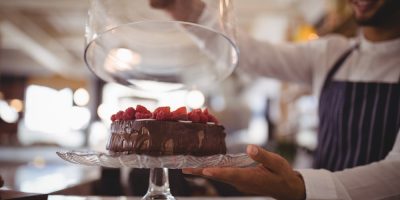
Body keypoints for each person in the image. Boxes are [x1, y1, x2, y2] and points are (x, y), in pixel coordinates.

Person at [150, 0, 400, 199]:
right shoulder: (332, 53)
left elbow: (396, 172)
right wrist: (184, 8)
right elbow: (252, 55)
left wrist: (299, 186)